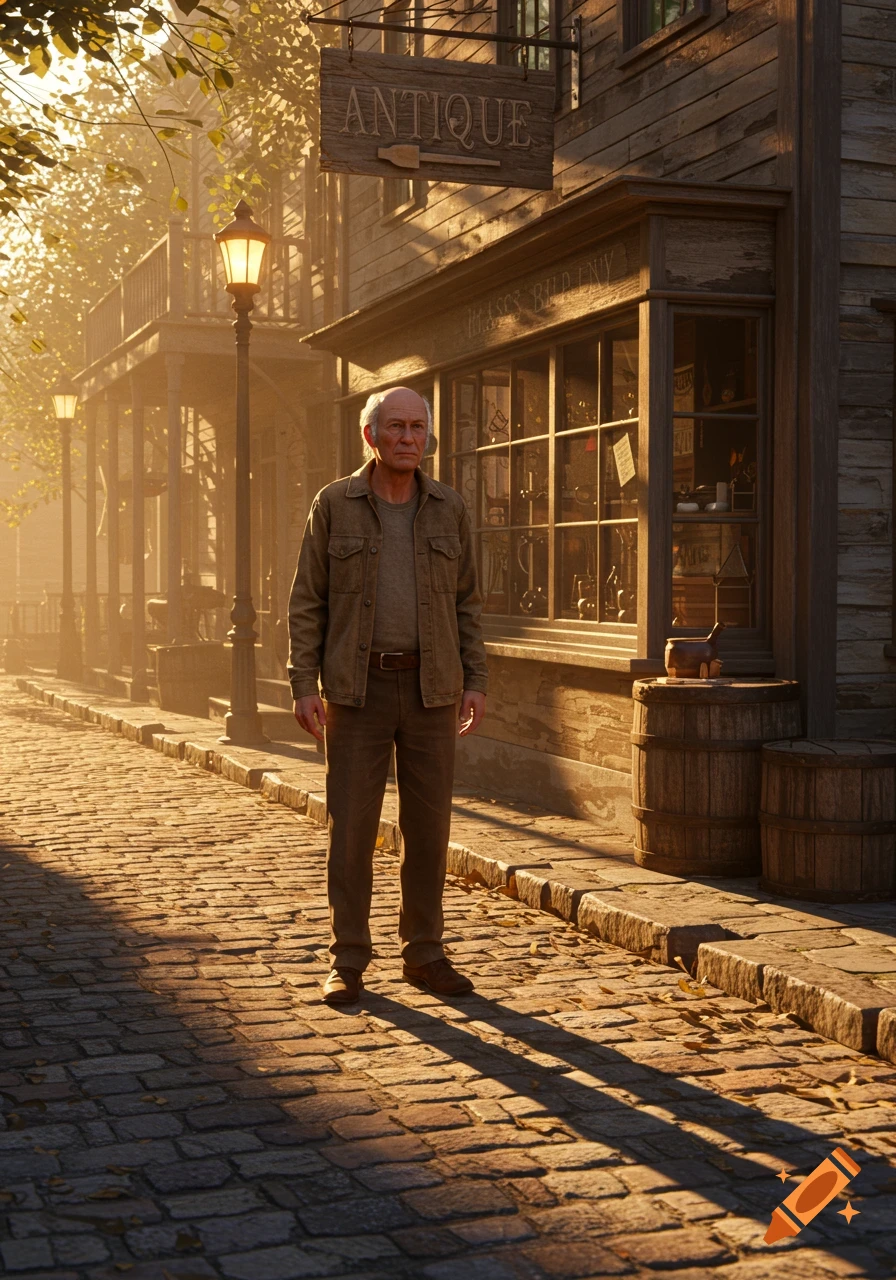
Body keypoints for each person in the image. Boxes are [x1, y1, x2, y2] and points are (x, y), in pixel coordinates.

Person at [287, 386, 488, 1005]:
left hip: (433, 691)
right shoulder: (335, 504)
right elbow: (307, 602)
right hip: (356, 689)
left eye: (419, 427)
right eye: (396, 426)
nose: (409, 437)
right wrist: (303, 684)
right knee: (351, 830)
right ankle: (346, 960)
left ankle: (424, 955)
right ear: (370, 436)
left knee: (428, 832)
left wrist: (474, 680)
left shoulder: (448, 507)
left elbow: (468, 604)